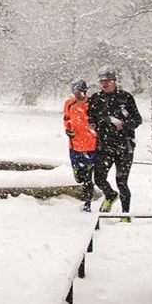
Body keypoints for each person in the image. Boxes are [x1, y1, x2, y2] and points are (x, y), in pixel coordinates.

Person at [86, 66, 142, 220]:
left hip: (125, 146)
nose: (104, 84)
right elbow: (91, 115)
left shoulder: (126, 98)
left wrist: (123, 124)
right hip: (104, 145)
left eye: (107, 81)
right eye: (102, 81)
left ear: (114, 81)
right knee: (98, 177)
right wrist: (92, 123)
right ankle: (110, 195)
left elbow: (138, 120)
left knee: (122, 181)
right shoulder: (96, 99)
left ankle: (125, 214)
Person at [62, 78, 99, 211]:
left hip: (90, 146)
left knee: (88, 178)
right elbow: (67, 119)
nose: (78, 94)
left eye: (80, 91)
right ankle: (86, 197)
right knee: (78, 177)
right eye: (75, 91)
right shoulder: (69, 104)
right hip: (74, 146)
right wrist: (68, 129)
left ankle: (87, 203)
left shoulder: (92, 104)